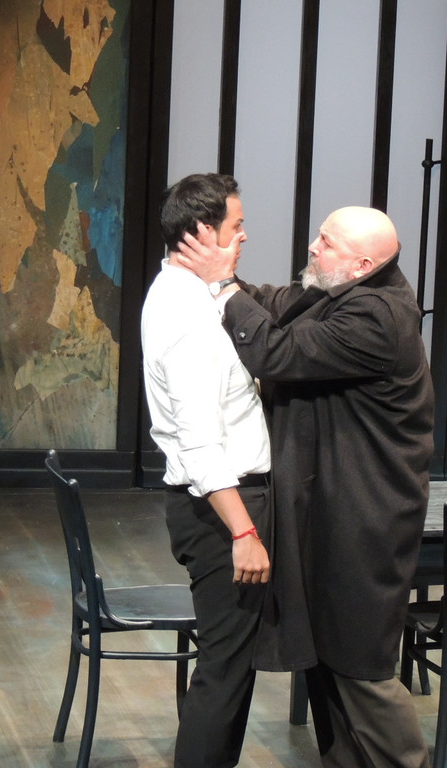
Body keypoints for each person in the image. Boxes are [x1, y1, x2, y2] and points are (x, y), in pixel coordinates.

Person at [179, 205, 435, 768]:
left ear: (363, 264)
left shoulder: (378, 317)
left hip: (365, 517)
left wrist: (222, 285)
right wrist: (222, 274)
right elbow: (277, 304)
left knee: (359, 663)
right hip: (331, 509)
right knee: (329, 658)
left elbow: (277, 352)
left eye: (327, 242)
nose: (314, 247)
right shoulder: (342, 290)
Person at [139, 173, 272, 768]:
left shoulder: (194, 295)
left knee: (233, 666)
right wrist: (243, 531)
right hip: (222, 512)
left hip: (226, 506)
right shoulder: (185, 313)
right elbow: (199, 441)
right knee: (224, 668)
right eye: (235, 226)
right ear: (201, 232)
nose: (244, 236)